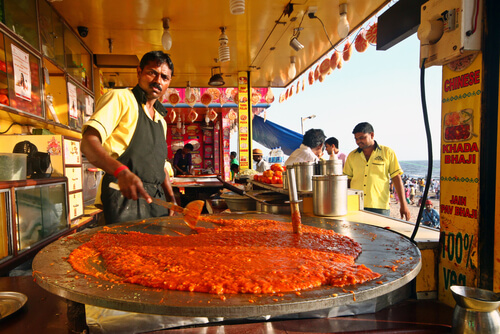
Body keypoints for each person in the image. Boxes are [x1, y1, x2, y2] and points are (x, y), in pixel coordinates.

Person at [81, 51, 176, 225]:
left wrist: (171, 198)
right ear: (139, 72)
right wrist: (121, 171)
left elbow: (160, 165)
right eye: (152, 72)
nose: (158, 81)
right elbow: (88, 142)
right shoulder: (121, 99)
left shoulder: (161, 120)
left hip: (157, 203)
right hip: (123, 197)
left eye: (164, 77)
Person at [343, 122, 410, 220]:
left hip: (380, 207)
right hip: (355, 206)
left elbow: (396, 178)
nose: (358, 141)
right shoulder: (352, 156)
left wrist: (403, 205)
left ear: (372, 135)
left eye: (362, 137)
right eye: (356, 139)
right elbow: (347, 181)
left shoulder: (387, 153)